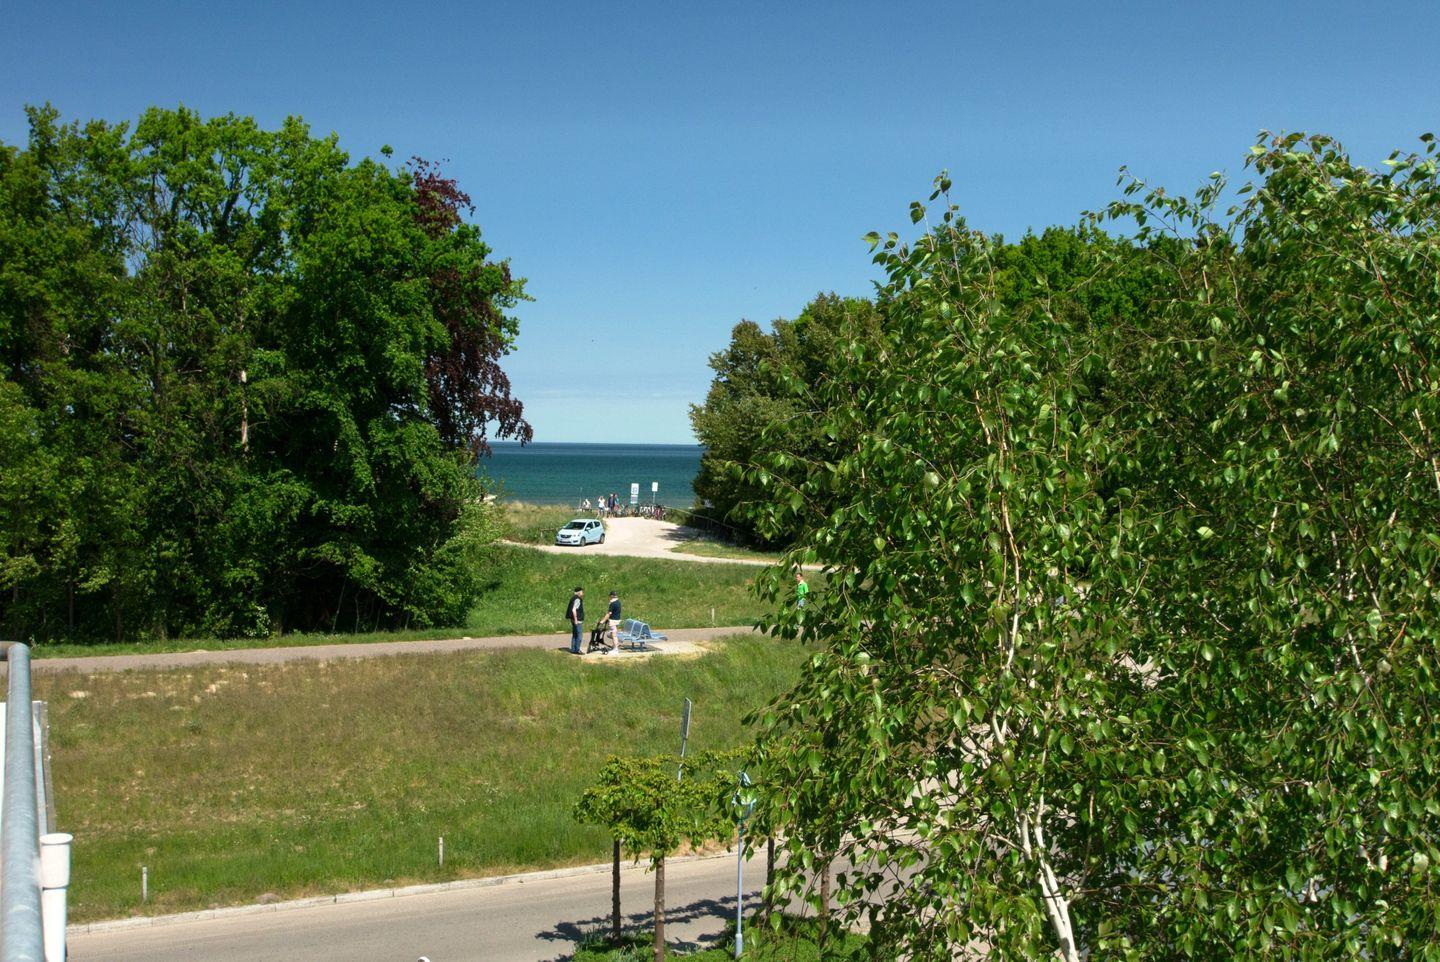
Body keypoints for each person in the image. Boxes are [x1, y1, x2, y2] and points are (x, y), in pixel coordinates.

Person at [566, 586, 585, 655]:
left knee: (575, 634)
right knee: (579, 635)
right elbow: (574, 610)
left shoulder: (573, 598)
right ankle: (577, 649)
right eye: (582, 591)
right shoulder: (577, 599)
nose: (583, 593)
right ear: (579, 592)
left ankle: (573, 649)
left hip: (572, 619)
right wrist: (576, 619)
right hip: (577, 620)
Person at [605, 590, 622, 654]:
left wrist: (603, 620)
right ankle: (615, 646)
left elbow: (609, 613)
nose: (609, 597)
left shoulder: (612, 603)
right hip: (617, 620)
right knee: (612, 634)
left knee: (614, 635)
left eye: (610, 596)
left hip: (613, 621)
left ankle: (616, 649)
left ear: (612, 596)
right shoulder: (618, 602)